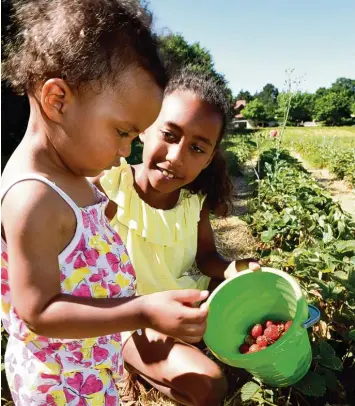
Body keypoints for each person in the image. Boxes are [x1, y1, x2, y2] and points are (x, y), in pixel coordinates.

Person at [0, 2, 210, 405]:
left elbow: (74, 236)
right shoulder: (33, 197)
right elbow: (39, 311)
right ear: (57, 100)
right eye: (121, 132)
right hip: (60, 385)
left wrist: (97, 216)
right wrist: (142, 311)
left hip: (90, 363)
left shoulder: (69, 171)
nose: (127, 150)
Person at [97, 69, 260, 405]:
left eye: (197, 148)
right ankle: (132, 362)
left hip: (185, 305)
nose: (176, 158)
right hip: (131, 317)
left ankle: (153, 365)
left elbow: (206, 259)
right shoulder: (109, 187)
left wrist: (233, 269)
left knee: (255, 306)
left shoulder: (193, 203)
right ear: (145, 127)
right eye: (169, 135)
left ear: (210, 157)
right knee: (211, 384)